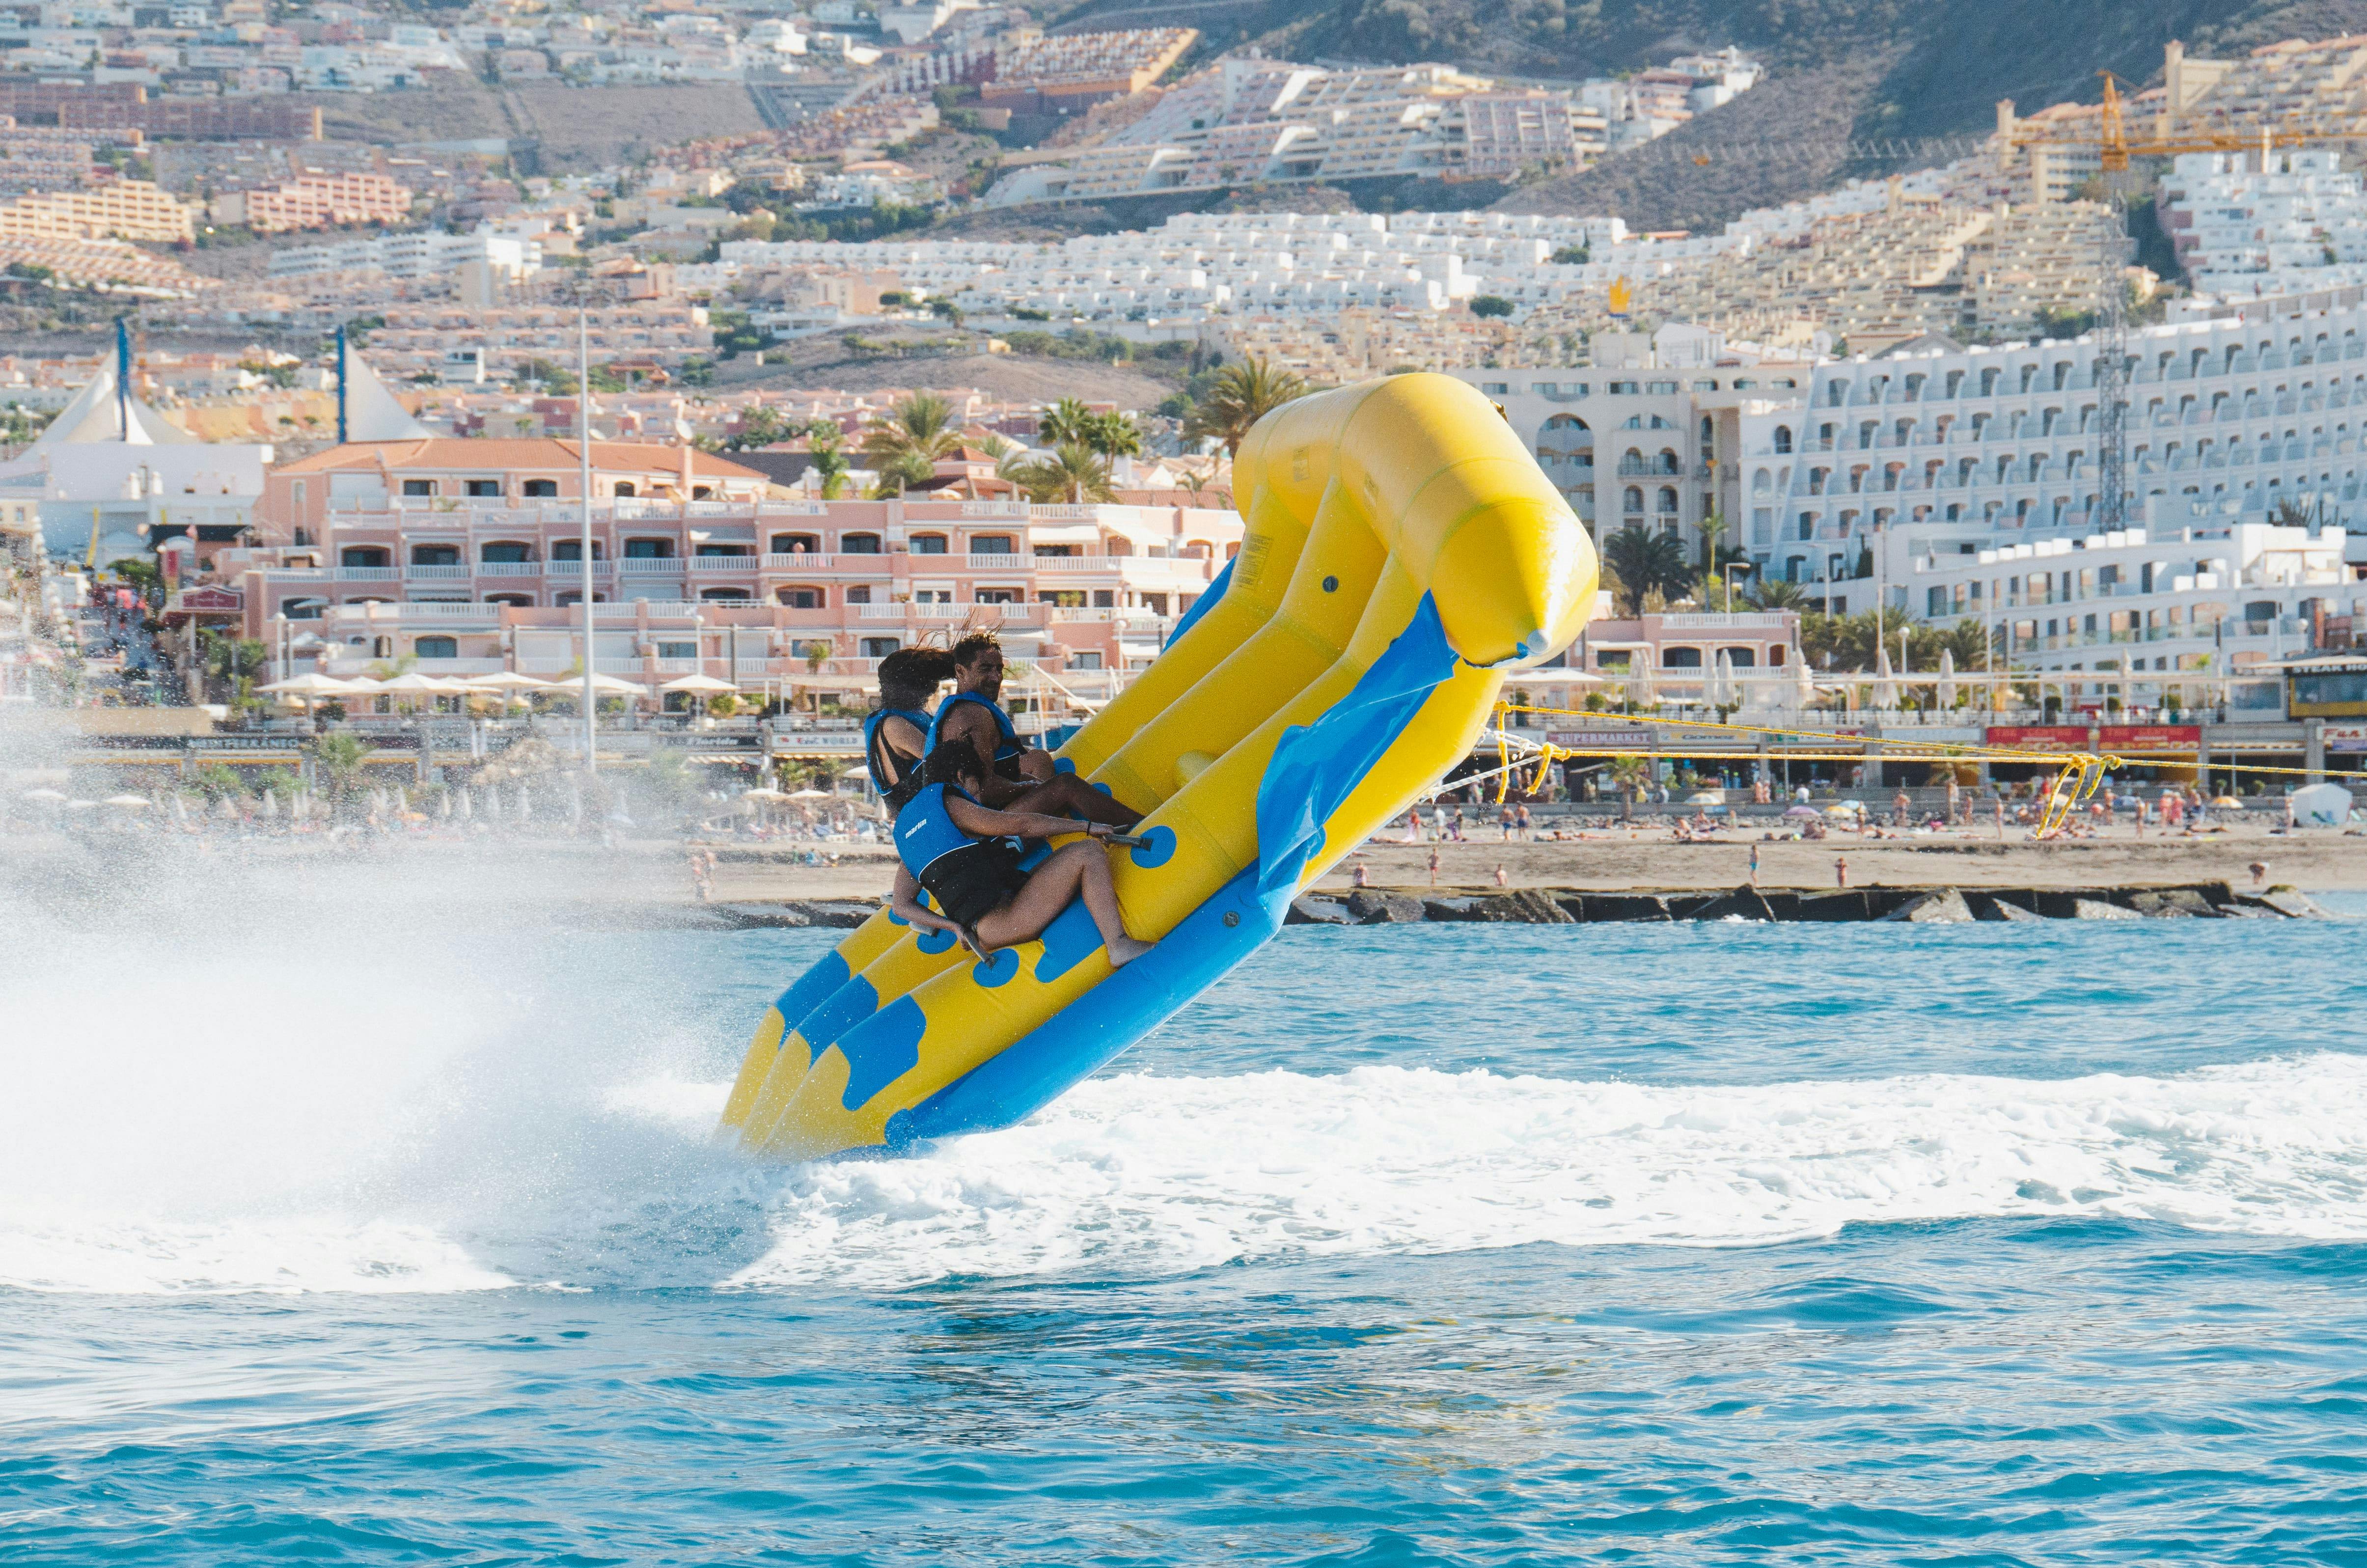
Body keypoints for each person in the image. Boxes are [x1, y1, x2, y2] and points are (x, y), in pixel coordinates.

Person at [888, 743, 1154, 967]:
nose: (979, 797)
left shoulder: (910, 833)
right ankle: (1118, 945)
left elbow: (902, 905)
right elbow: (1021, 825)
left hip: (984, 931)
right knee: (1087, 852)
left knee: (1058, 861)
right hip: (1008, 921)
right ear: (960, 777)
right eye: (977, 787)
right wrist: (1086, 826)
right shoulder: (952, 804)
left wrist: (954, 927)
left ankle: (1118, 944)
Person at [927, 633, 1135, 829]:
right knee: (1065, 785)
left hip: (982, 818)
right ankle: (1143, 827)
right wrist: (1032, 787)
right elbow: (983, 790)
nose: (996, 677)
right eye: (985, 669)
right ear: (961, 671)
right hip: (981, 827)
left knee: (1039, 759)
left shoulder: (966, 708)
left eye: (999, 669)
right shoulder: (969, 716)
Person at [863, 647, 954, 814]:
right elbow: (945, 761)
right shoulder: (894, 725)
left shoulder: (907, 716)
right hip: (922, 817)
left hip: (930, 811)